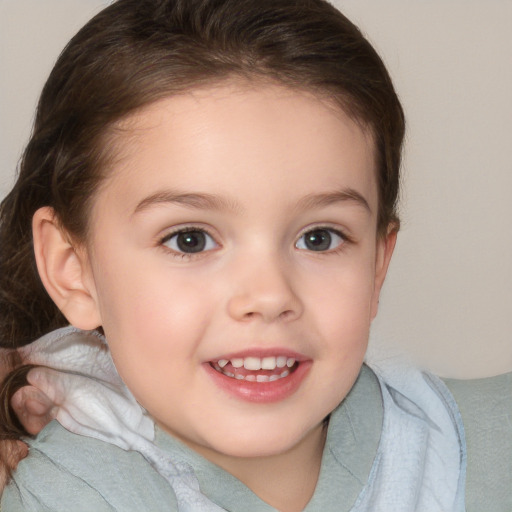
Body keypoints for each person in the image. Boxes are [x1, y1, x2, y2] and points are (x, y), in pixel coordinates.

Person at [0, 0, 510, 510]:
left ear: (378, 264)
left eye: (319, 237)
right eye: (190, 239)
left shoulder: (487, 449)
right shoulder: (65, 496)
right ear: (73, 270)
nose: (269, 296)